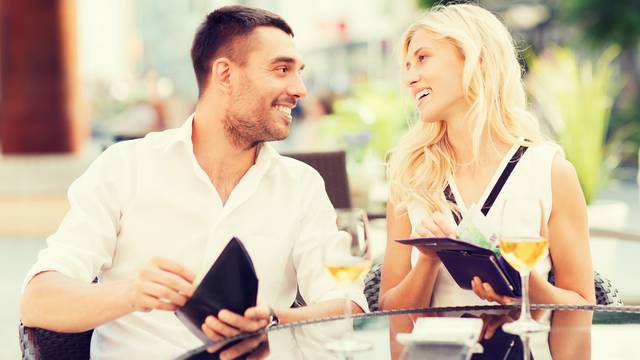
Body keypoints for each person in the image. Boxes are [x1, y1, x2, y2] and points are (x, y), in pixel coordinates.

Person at [20, 5, 367, 359]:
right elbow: (38, 301)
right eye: (282, 69)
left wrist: (275, 322)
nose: (300, 89)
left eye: (299, 72)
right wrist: (130, 294)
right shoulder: (125, 167)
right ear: (225, 75)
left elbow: (347, 306)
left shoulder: (302, 186)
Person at [378, 3, 595, 357]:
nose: (409, 77)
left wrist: (526, 286)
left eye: (422, 58)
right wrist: (430, 259)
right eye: (406, 66)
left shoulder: (549, 170)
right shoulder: (409, 174)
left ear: (475, 58)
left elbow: (579, 310)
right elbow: (393, 314)